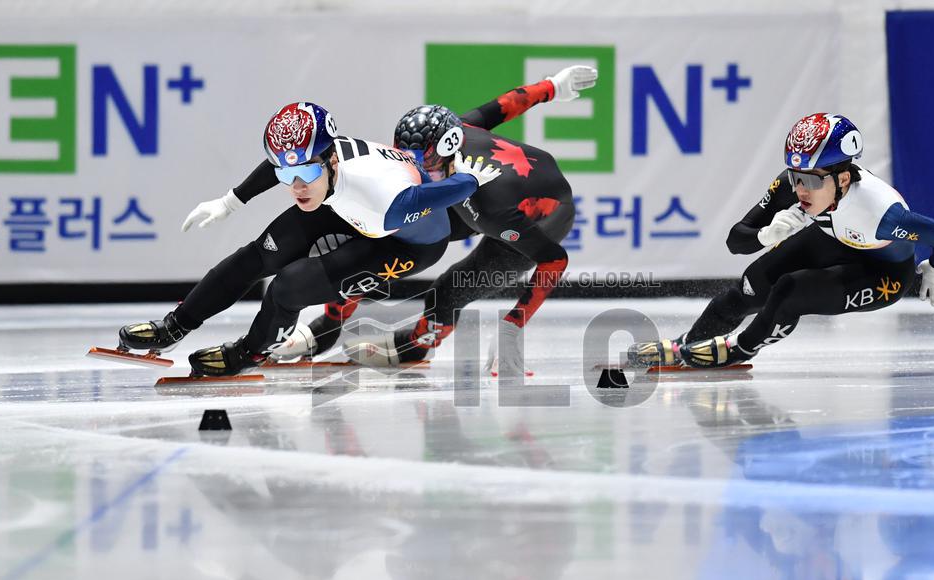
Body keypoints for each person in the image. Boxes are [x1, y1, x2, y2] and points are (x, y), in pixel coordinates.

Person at [116, 101, 502, 376]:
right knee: (257, 257)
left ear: (331, 161)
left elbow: (428, 197)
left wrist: (467, 181)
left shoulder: (381, 196)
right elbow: (281, 164)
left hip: (404, 242)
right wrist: (230, 202)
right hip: (342, 204)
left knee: (288, 287)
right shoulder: (319, 165)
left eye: (306, 174)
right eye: (289, 176)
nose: (297, 186)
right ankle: (174, 326)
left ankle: (250, 353)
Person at [271, 65, 598, 376]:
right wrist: (552, 87)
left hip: (534, 218)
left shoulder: (493, 207)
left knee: (450, 289)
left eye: (425, 166)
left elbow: (555, 259)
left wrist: (513, 324)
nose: (417, 174)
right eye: (407, 161)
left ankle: (417, 346)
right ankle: (329, 325)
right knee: (378, 239)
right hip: (472, 191)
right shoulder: (459, 131)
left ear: (449, 153)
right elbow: (503, 105)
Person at [628, 112, 934, 369]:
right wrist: (765, 235)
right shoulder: (793, 184)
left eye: (810, 181)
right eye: (795, 177)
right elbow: (735, 241)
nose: (800, 189)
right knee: (752, 284)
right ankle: (687, 343)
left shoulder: (881, 214)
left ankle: (740, 348)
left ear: (843, 179)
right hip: (833, 238)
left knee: (791, 290)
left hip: (882, 273)